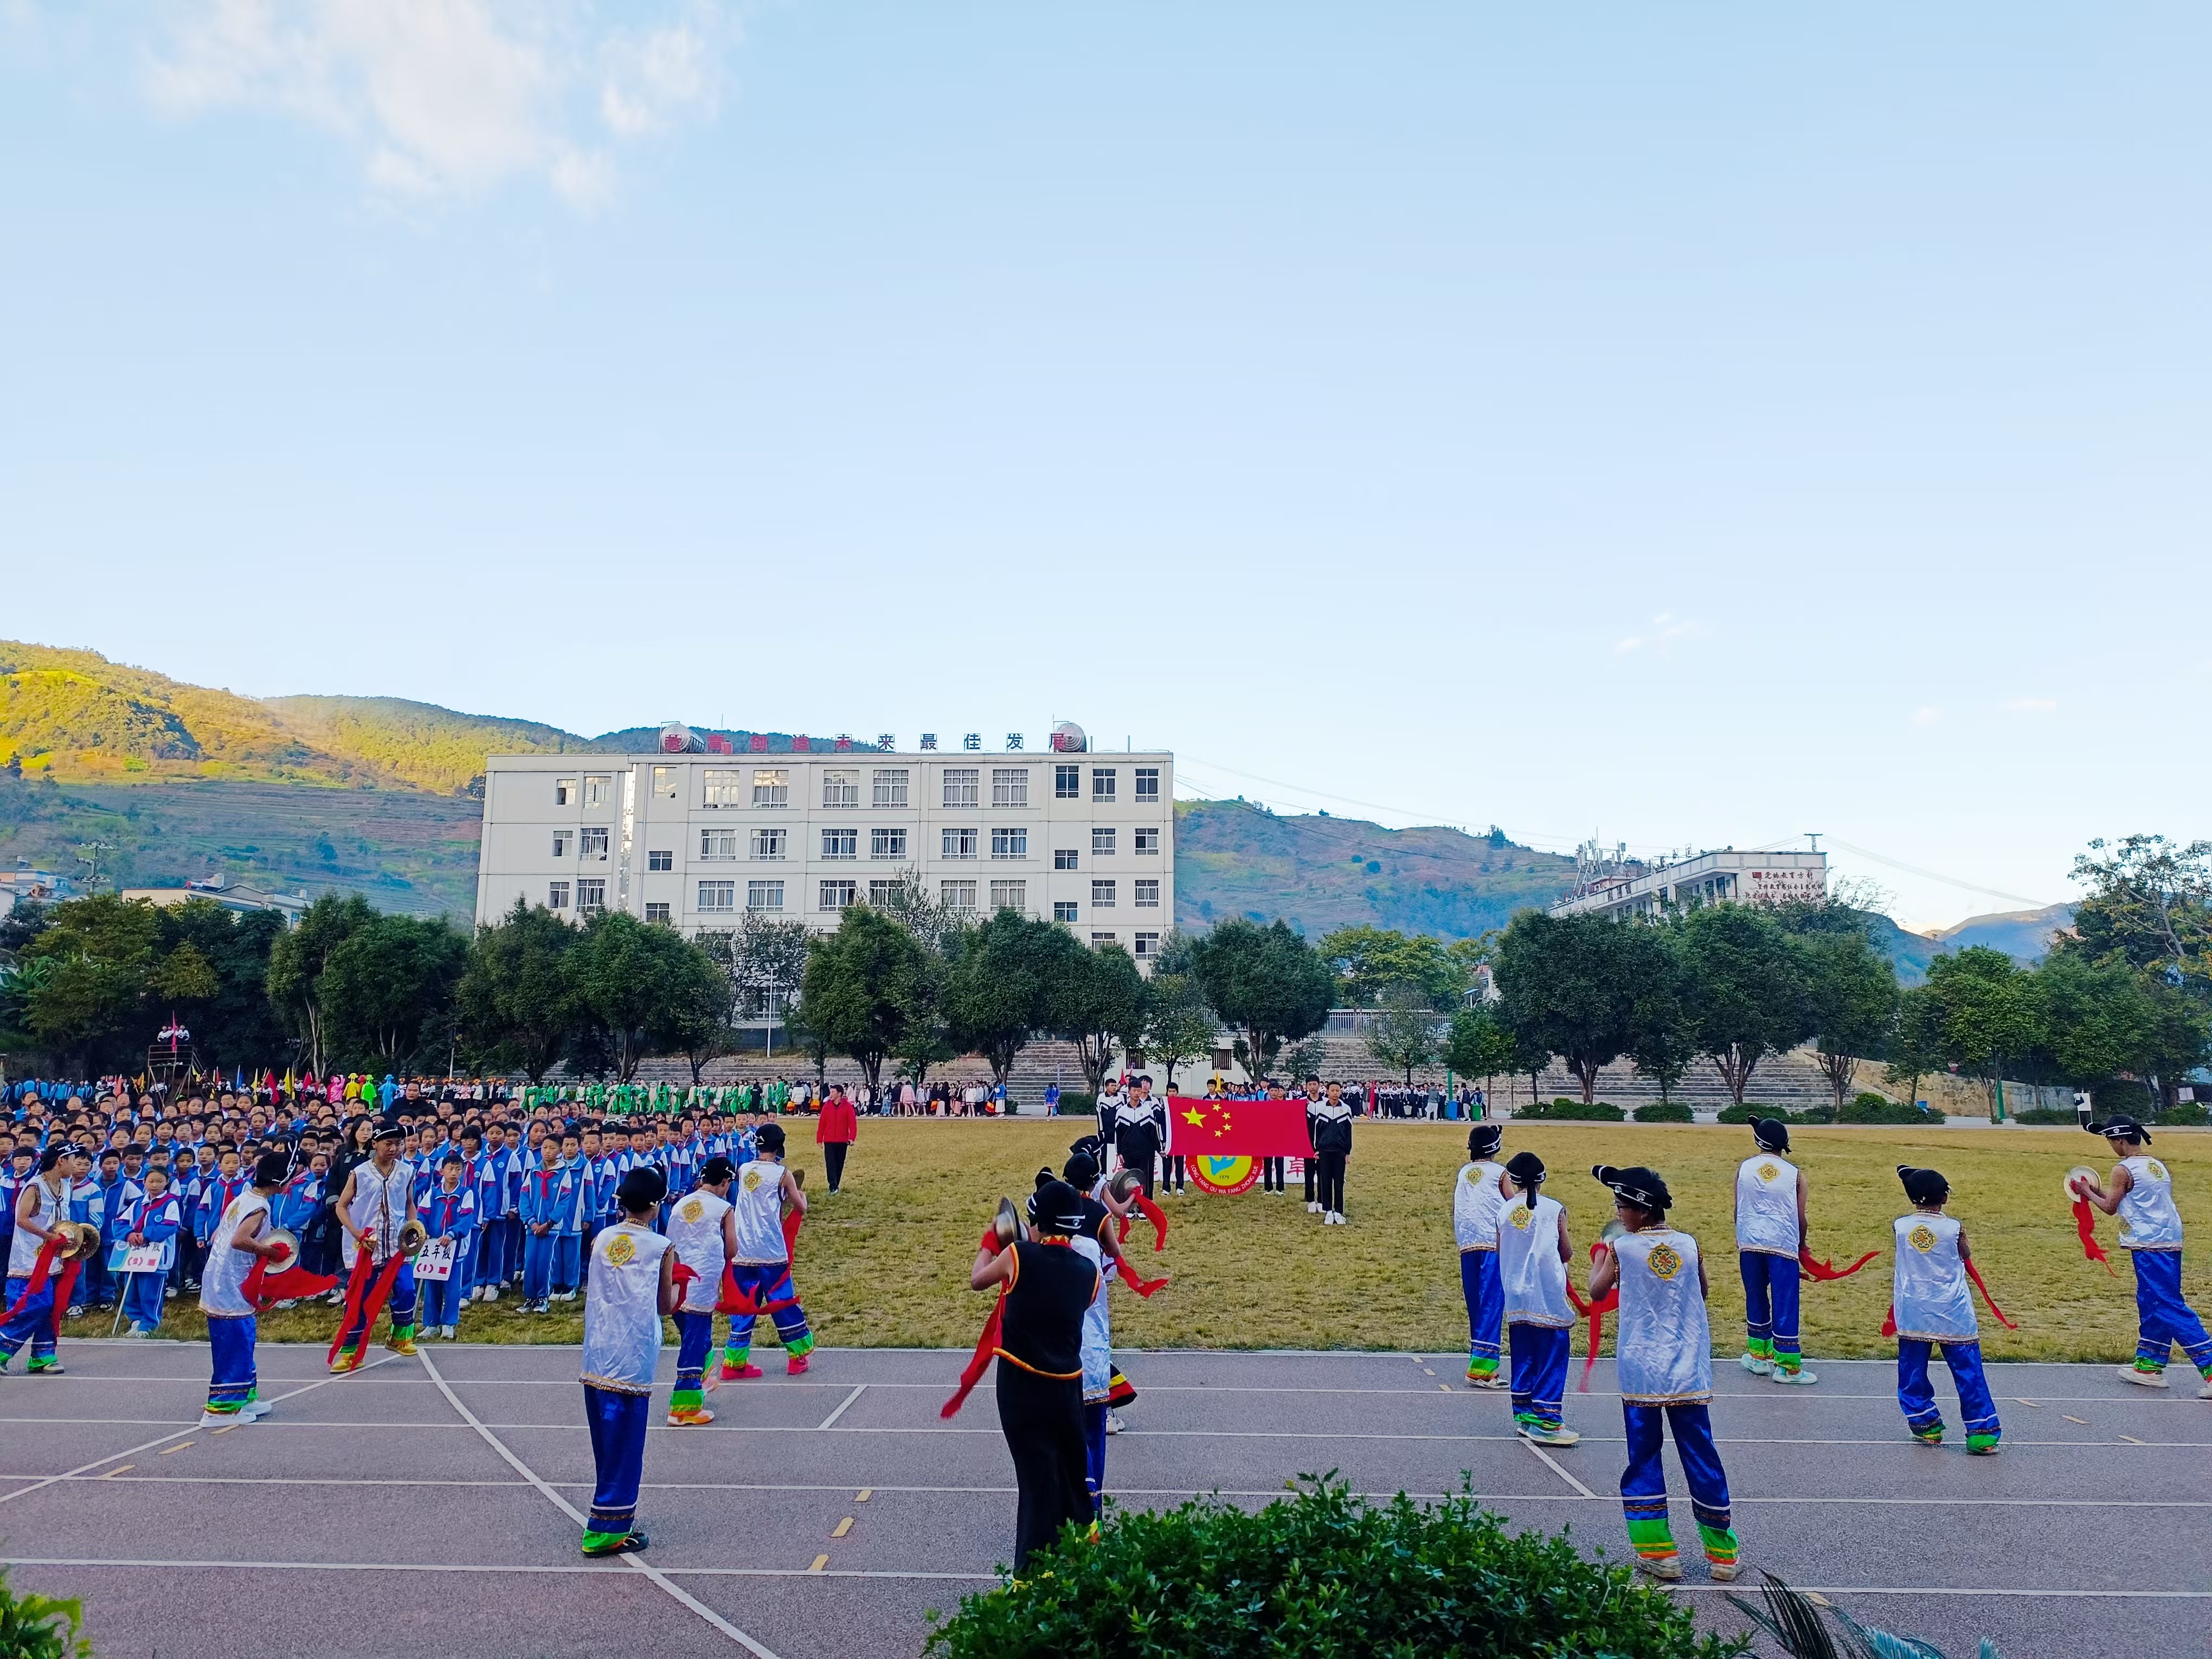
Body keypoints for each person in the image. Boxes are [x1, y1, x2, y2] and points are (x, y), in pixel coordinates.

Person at [1587, 1165, 1740, 1583]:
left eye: (1621, 1206)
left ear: (1640, 1209)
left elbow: (1597, 1292)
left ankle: (1660, 1552)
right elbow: (1703, 1290)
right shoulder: (1689, 1244)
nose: (1618, 1213)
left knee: (1644, 1458)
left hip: (1642, 1370)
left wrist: (1603, 1252)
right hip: (1689, 1368)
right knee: (1702, 1456)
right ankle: (1722, 1554)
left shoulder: (1624, 1249)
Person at [970, 1178, 1101, 1571]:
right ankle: (1079, 1560)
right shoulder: (1088, 1271)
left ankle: (1031, 1574)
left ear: (1038, 1222)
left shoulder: (1017, 1255)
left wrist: (989, 1243)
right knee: (1069, 1474)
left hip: (1022, 1386)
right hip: (1067, 1390)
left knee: (1036, 1481)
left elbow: (978, 1280)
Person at [2070, 1116, 2211, 1395]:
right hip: (2167, 1239)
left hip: (2149, 1244)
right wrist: (2095, 1192)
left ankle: (2209, 1364)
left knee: (2166, 1304)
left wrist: (2086, 1190)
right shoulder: (2154, 1164)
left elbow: (2111, 1207)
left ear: (2120, 1140)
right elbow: (2123, 1196)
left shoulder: (2122, 1169)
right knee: (2151, 1300)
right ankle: (2149, 1365)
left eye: (2111, 1141)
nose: (2112, 1146)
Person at [580, 1166, 677, 1557]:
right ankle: (607, 1527)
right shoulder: (662, 1247)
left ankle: (612, 1515)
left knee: (606, 1439)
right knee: (627, 1443)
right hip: (633, 1352)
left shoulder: (602, 1238)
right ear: (655, 1205)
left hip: (599, 1348)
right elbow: (665, 1305)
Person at [1891, 1165, 2001, 1454]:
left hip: (1914, 1307)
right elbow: (1965, 1255)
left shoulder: (1900, 1226)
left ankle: (1924, 1424)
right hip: (1952, 1309)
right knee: (1969, 1371)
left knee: (1912, 1370)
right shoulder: (1955, 1227)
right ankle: (1981, 1432)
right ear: (1945, 1197)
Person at [199, 1149, 293, 1427]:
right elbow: (239, 1240)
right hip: (230, 1282)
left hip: (228, 1277)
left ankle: (245, 1396)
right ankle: (221, 1409)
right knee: (236, 1339)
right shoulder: (259, 1206)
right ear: (280, 1180)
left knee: (244, 1337)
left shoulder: (246, 1196)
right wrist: (269, 1252)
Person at [721, 1123, 814, 1379]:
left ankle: (734, 1362)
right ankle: (797, 1357)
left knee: (743, 1305)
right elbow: (800, 1206)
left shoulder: (744, 1169)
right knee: (782, 1301)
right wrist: (801, 1197)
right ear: (779, 1146)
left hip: (742, 1248)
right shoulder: (783, 1174)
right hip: (771, 1249)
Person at [1496, 1150, 1577, 1446]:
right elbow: (1565, 1252)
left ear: (1513, 1180)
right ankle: (1547, 1418)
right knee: (1553, 1353)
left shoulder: (1503, 1211)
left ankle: (1524, 1412)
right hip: (1546, 1292)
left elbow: (1499, 1249)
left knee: (1523, 1353)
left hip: (1516, 1293)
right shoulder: (1555, 1209)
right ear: (1542, 1178)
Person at [330, 1121, 419, 1369]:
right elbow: (341, 1206)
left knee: (407, 1290)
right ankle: (351, 1353)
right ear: (375, 1144)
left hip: (398, 1245)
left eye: (398, 1144)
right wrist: (357, 1233)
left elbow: (410, 1202)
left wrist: (414, 1226)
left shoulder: (406, 1171)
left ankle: (399, 1337)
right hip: (366, 1248)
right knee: (359, 1300)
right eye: (388, 1143)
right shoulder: (360, 1173)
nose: (394, 1148)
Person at [1735, 1117, 1816, 1385]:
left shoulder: (1744, 1169)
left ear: (1759, 1142)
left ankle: (1758, 1357)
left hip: (1750, 1242)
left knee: (1756, 1296)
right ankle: (1788, 1367)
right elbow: (1801, 1218)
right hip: (1782, 1243)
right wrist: (1802, 1244)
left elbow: (1738, 1209)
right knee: (1786, 1302)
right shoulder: (1795, 1175)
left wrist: (1743, 1235)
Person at [666, 1156, 738, 1426]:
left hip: (677, 1279)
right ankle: (684, 1406)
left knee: (694, 1337)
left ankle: (702, 1378)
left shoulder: (680, 1204)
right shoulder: (724, 1208)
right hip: (702, 1282)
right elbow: (732, 1249)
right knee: (694, 1344)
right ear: (725, 1182)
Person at [0, 1147, 76, 1374]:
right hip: (27, 1260)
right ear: (61, 1161)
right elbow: (21, 1219)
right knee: (34, 1305)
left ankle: (43, 1356)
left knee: (52, 1307)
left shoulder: (66, 1186)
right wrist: (48, 1237)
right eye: (73, 1160)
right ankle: (2, 1348)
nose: (76, 1165)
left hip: (54, 1257)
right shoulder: (35, 1186)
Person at [1454, 1124, 1511, 1387]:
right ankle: (1482, 1370)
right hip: (1493, 1243)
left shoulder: (1464, 1172)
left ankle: (1478, 1361)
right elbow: (1514, 1203)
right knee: (1491, 1303)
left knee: (1476, 1304)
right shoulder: (1501, 1173)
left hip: (1467, 1243)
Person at [114, 1163, 183, 1337]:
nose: (155, 1185)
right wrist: (129, 1234)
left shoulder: (170, 1203)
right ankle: (136, 1320)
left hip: (157, 1256)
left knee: (150, 1291)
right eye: (151, 1181)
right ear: (144, 1182)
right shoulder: (138, 1204)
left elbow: (170, 1226)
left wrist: (146, 1234)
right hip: (134, 1254)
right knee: (131, 1289)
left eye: (160, 1181)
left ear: (167, 1182)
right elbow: (119, 1222)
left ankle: (150, 1323)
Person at [417, 1153, 479, 1339]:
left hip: (454, 1248)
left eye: (458, 1169)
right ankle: (431, 1324)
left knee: (452, 1288)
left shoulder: (466, 1193)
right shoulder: (434, 1192)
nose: (454, 1173)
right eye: (450, 1169)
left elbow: (467, 1219)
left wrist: (452, 1234)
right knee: (432, 1286)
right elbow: (422, 1214)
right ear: (442, 1171)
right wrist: (424, 1231)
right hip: (434, 1247)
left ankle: (449, 1323)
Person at [1310, 1081, 1353, 1225]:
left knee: (1339, 1182)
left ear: (1341, 1092)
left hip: (1340, 1152)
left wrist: (1347, 1152)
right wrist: (1317, 1149)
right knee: (1326, 1181)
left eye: (1338, 1091)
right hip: (1325, 1151)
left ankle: (1339, 1212)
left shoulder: (1346, 1109)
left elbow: (1349, 1133)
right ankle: (1328, 1211)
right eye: (1333, 1090)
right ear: (1327, 1091)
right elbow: (1317, 1131)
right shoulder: (1321, 1109)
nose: (1335, 1093)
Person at [815, 1085, 858, 1194]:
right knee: (830, 1164)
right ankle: (833, 1186)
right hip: (829, 1141)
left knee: (839, 1164)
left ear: (839, 1094)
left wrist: (852, 1138)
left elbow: (852, 1124)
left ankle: (836, 1185)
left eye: (833, 1092)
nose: (831, 1094)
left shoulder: (848, 1107)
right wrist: (819, 1139)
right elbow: (822, 1123)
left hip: (842, 1141)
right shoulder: (827, 1106)